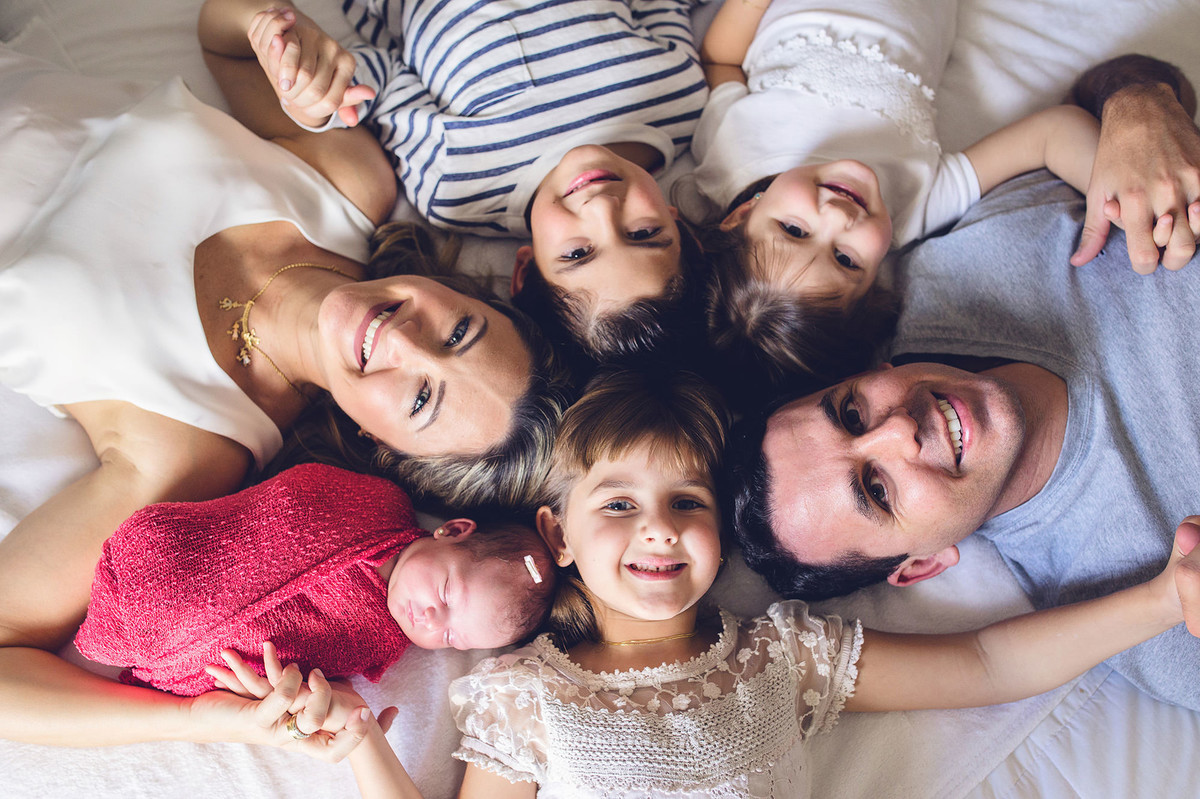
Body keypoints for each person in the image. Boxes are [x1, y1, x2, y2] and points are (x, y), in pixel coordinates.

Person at [230, 368, 1200, 797]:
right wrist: (361, 742)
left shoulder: (783, 656)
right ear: (556, 531)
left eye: (684, 501)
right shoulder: (527, 697)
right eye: (618, 506)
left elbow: (986, 660)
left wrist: (1161, 598)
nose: (657, 526)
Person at [0, 35, 564, 747]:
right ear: (458, 292)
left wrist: (194, 719)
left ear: (378, 444)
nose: (404, 342)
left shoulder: (184, 449)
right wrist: (278, 36)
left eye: (422, 399)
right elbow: (219, 34)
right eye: (459, 333)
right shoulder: (351, 183)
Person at [726, 58, 1200, 711]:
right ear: (922, 563)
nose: (899, 430)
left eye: (853, 413)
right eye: (877, 487)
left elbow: (1100, 100)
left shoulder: (948, 268)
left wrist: (1140, 102)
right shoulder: (1150, 600)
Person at [691, 0, 1200, 399]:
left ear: (742, 214)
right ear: (875, 284)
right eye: (846, 260)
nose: (838, 218)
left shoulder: (733, 157)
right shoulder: (914, 207)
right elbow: (1049, 135)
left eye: (794, 230)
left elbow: (720, 59)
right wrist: (1116, 191)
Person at [218, 0, 710, 363]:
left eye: (577, 254)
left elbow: (378, 81)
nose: (603, 209)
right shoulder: (681, 97)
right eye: (644, 234)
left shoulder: (458, 184)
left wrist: (316, 91)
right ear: (677, 218)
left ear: (525, 269)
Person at [75, 463, 558, 696]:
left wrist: (285, 690)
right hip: (170, 556)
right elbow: (288, 499)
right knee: (158, 549)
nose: (432, 620)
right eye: (448, 592)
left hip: (198, 665)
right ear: (452, 531)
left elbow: (312, 676)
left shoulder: (380, 644)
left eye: (451, 637)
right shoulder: (375, 502)